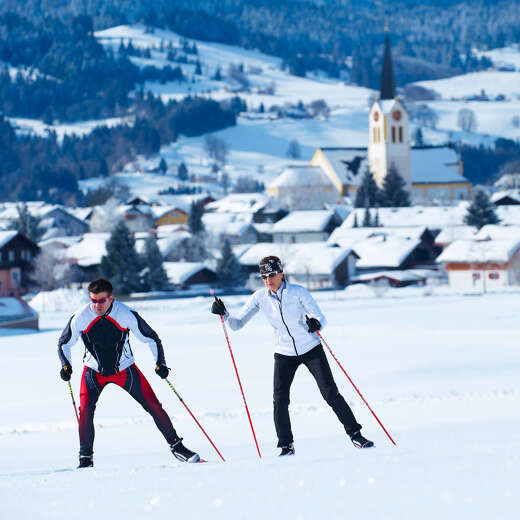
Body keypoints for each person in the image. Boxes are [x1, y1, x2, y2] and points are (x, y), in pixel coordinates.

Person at [211, 256, 374, 456]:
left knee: (330, 393)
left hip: (310, 349)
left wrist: (315, 324)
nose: (268, 280)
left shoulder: (298, 292)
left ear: (281, 274)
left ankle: (356, 435)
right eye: (263, 277)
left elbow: (319, 316)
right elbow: (237, 325)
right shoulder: (259, 297)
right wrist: (224, 313)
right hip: (284, 353)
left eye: (271, 275)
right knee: (279, 400)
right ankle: (286, 446)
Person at [58, 278, 200, 468]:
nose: (97, 305)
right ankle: (85, 459)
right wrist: (66, 365)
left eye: (101, 301)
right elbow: (64, 343)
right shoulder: (81, 317)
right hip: (93, 371)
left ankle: (177, 447)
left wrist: (160, 363)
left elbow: (151, 338)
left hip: (124, 369)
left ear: (111, 298)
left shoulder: (125, 313)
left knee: (153, 404)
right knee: (85, 411)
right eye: (93, 300)